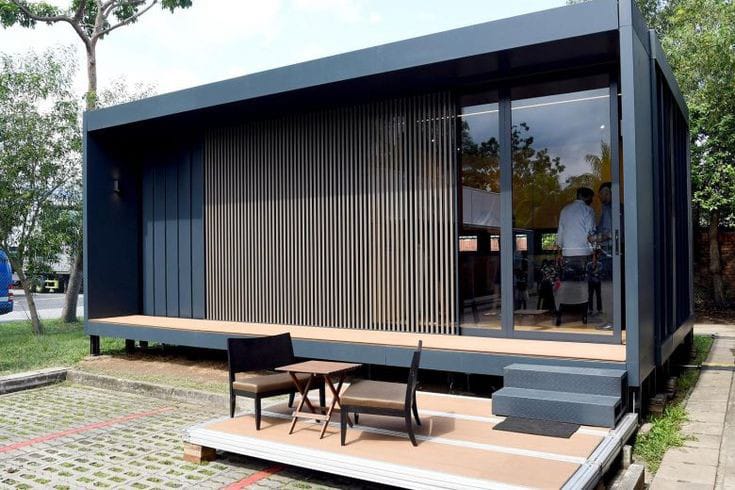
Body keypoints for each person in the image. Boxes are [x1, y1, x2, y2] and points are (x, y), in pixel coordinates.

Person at [555, 187, 597, 325]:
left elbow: (560, 233)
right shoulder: (588, 210)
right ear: (587, 197)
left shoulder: (565, 210)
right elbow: (591, 234)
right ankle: (583, 315)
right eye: (591, 198)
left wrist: (559, 253)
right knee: (583, 286)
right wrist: (594, 254)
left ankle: (561, 313)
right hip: (583, 253)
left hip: (567, 253)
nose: (591, 201)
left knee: (567, 285)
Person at [586, 249, 603, 315]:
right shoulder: (589, 264)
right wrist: (594, 273)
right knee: (590, 296)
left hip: (597, 282)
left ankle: (599, 309)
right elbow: (588, 272)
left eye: (595, 257)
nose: (594, 259)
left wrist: (594, 273)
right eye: (593, 257)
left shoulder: (599, 264)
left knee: (598, 296)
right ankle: (590, 309)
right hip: (591, 282)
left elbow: (600, 271)